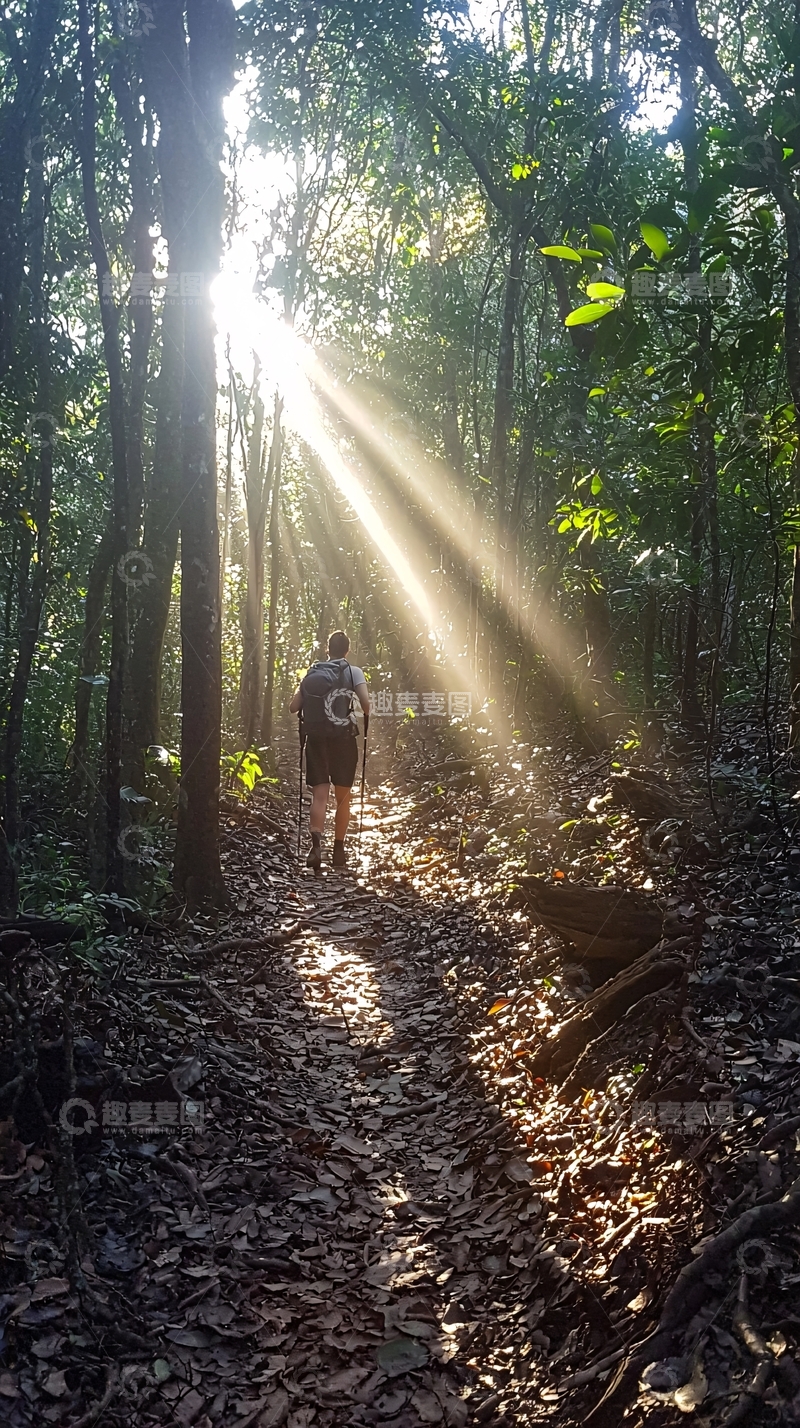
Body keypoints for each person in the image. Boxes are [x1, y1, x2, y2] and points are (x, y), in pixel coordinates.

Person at [290, 631, 370, 869]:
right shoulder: (353, 671)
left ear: (327, 649)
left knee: (320, 795)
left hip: (316, 740)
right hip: (343, 739)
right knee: (343, 797)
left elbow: (293, 707)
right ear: (347, 650)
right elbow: (366, 705)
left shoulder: (312, 673)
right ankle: (338, 851)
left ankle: (315, 847)